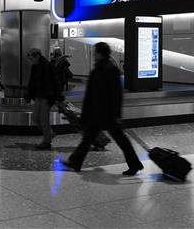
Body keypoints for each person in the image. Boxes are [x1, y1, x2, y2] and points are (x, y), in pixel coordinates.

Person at [61, 43, 144, 175]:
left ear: (100, 53)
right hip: (100, 112)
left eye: (95, 52)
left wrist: (115, 114)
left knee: (118, 140)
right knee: (90, 138)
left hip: (106, 113)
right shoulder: (103, 69)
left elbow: (114, 94)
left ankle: (135, 164)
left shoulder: (107, 69)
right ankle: (75, 162)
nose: (93, 54)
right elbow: (96, 94)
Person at [26, 48, 63, 150]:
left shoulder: (48, 66)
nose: (30, 60)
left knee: (43, 120)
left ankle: (47, 141)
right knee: (35, 118)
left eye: (31, 58)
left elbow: (56, 82)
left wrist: (58, 96)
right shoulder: (35, 66)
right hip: (38, 96)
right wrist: (29, 94)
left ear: (37, 56)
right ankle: (49, 133)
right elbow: (32, 82)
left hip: (47, 97)